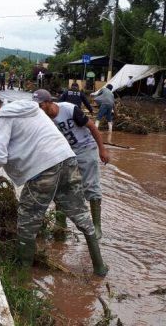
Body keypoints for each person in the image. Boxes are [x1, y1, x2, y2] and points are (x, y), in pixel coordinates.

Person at [0, 93, 107, 277]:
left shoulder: (0, 119)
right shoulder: (28, 107)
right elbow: (26, 136)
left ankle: (22, 273)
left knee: (27, 218)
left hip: (43, 168)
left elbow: (0, 157)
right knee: (79, 212)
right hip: (67, 158)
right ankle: (100, 267)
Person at [34, 89, 109, 239]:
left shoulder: (68, 110)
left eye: (40, 105)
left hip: (85, 148)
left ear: (49, 102)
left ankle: (96, 227)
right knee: (60, 186)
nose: (38, 109)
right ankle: (60, 224)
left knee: (91, 186)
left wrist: (102, 149)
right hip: (66, 152)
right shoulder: (43, 119)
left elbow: (92, 127)